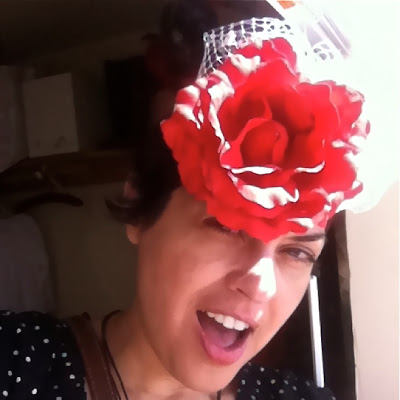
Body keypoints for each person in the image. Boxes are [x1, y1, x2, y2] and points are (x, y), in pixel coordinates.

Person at [0, 10, 372, 400]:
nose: (262, 286)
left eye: (297, 251)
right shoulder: (15, 365)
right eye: (228, 225)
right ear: (140, 209)